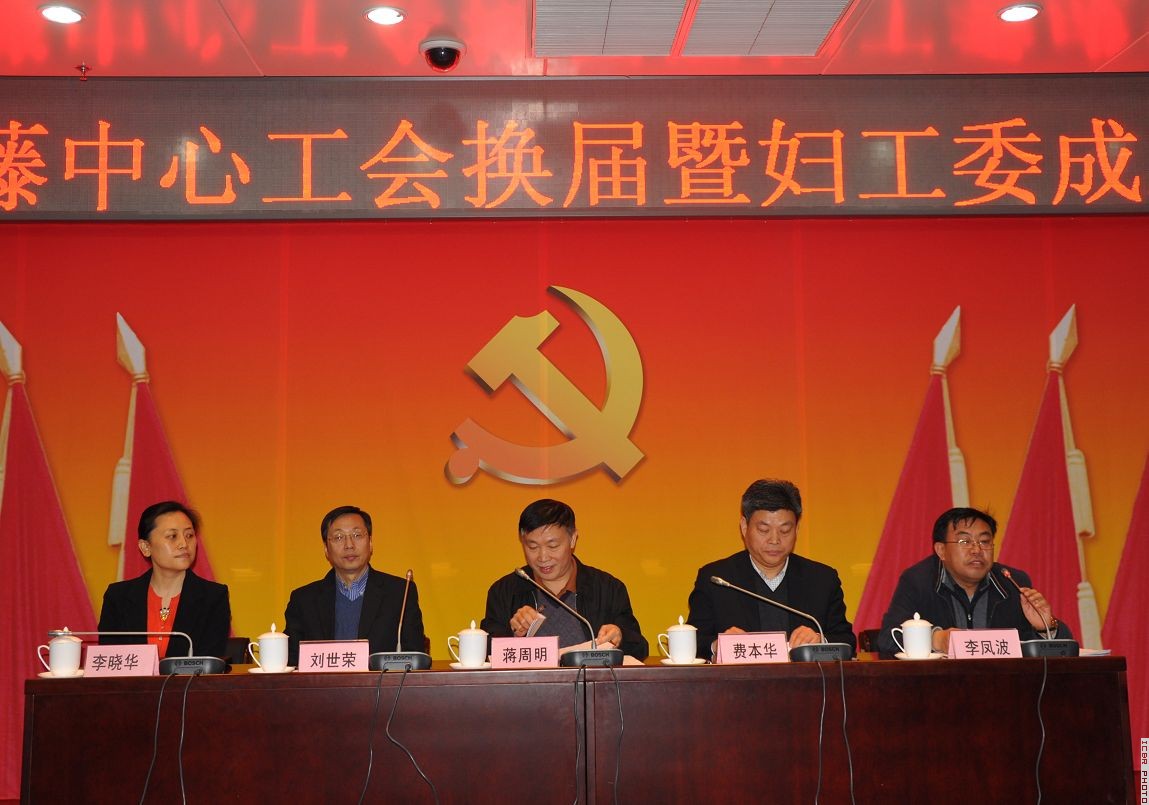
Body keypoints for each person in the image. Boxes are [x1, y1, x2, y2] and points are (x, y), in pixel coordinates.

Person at [687, 479, 856, 659]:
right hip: (741, 678)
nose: (774, 540)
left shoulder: (822, 579)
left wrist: (821, 640)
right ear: (744, 527)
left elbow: (847, 640)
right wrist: (717, 645)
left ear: (797, 529)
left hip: (804, 678)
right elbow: (694, 641)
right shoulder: (717, 580)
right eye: (763, 530)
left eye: (785, 530)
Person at [876, 507, 1071, 658]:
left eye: (984, 542)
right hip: (940, 690)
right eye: (964, 542)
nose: (977, 550)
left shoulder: (1012, 582)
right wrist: (935, 639)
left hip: (1004, 689)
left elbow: (1063, 654)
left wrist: (1046, 627)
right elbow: (887, 638)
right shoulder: (918, 581)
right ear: (941, 550)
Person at [481, 499, 649, 659]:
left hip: (591, 681)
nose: (543, 557)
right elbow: (484, 651)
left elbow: (640, 648)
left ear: (573, 539)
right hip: (528, 682)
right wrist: (513, 635)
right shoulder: (504, 591)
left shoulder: (608, 588)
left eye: (553, 546)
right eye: (532, 547)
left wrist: (620, 637)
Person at [284, 505, 426, 666]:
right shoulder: (303, 600)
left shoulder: (401, 594)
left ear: (370, 543)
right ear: (326, 549)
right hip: (322, 683)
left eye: (357, 535)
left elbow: (415, 660)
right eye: (338, 537)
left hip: (381, 683)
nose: (349, 545)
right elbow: (291, 662)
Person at [98, 501, 231, 659]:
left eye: (189, 535)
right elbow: (111, 660)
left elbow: (208, 662)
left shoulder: (213, 597)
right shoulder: (118, 597)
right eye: (172, 536)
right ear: (146, 547)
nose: (184, 544)